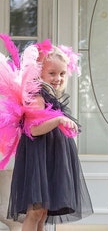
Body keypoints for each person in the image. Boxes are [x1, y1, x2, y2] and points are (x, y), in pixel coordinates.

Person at [0, 37, 93, 231]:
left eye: (62, 73)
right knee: (35, 211)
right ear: (39, 73)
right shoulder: (38, 96)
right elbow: (33, 129)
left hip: (49, 159)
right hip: (38, 159)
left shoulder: (52, 96)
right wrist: (59, 120)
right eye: (51, 73)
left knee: (42, 213)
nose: (57, 78)